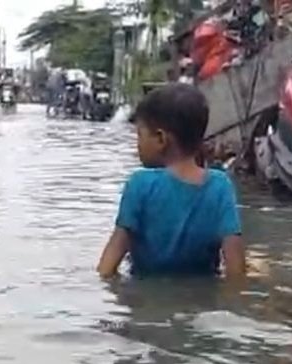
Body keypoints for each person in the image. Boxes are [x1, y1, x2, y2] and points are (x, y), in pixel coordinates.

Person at [97, 84, 246, 280]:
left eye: (139, 135)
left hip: (145, 303)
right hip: (201, 303)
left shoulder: (140, 184)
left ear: (160, 139)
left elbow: (107, 268)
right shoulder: (220, 186)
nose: (137, 145)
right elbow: (236, 271)